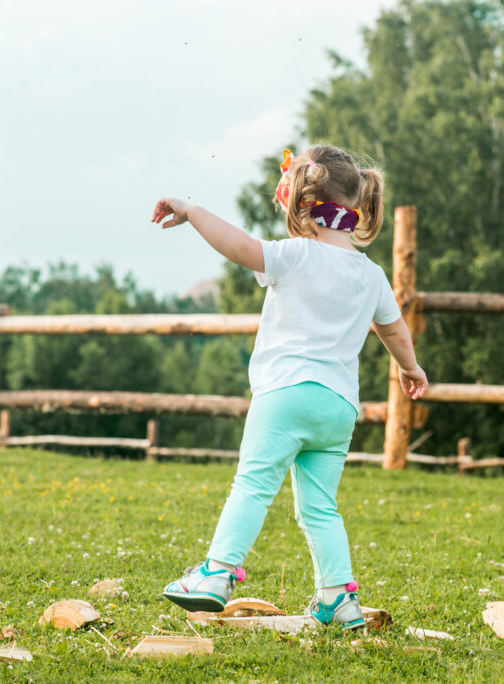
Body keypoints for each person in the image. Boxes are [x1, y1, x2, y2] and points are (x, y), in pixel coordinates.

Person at [150, 144, 427, 630]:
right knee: (321, 507)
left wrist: (192, 211)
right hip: (338, 408)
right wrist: (410, 368)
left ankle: (215, 574)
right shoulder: (371, 274)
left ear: (302, 203)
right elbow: (394, 330)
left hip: (284, 395)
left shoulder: (294, 256)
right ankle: (339, 599)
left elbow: (238, 246)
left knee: (253, 487)